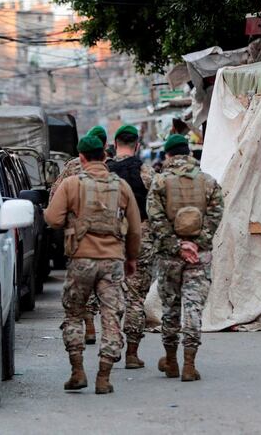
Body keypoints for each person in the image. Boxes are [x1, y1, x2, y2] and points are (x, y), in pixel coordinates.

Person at [44, 135, 141, 395]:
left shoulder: (71, 184)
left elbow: (52, 218)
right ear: (105, 156)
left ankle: (77, 370)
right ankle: (104, 376)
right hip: (112, 262)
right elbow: (134, 229)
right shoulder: (120, 186)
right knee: (111, 317)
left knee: (74, 313)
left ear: (82, 158)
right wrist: (131, 258)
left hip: (81, 261)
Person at [147, 134, 223, 382]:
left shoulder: (159, 183)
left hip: (170, 257)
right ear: (188, 153)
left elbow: (156, 220)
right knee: (193, 309)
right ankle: (189, 365)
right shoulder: (208, 182)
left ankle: (170, 361)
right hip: (199, 257)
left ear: (168, 155)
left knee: (170, 308)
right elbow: (216, 215)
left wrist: (177, 246)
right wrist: (196, 243)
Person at [49, 125, 109, 345]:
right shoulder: (112, 169)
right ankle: (106, 334)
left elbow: (54, 201)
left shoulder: (71, 168)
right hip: (108, 239)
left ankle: (87, 324)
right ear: (104, 146)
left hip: (78, 237)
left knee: (79, 286)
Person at [105, 125, 155, 369]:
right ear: (137, 145)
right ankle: (132, 354)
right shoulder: (146, 173)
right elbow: (156, 210)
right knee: (135, 299)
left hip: (108, 242)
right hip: (140, 240)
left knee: (110, 298)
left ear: (115, 144)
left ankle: (111, 349)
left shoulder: (104, 173)